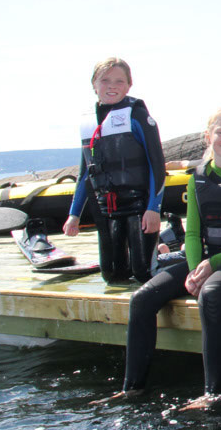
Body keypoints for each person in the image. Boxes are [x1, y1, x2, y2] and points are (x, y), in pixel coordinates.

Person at [91, 105, 221, 408]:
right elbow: (192, 234)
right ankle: (132, 388)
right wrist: (193, 270)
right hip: (208, 258)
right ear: (208, 136)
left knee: (211, 295)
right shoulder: (198, 177)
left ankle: (212, 393)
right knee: (142, 298)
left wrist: (211, 265)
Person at [63, 58, 166, 283]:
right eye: (105, 80)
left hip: (139, 206)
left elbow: (156, 164)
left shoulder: (137, 115)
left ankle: (168, 256)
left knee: (144, 273)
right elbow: (85, 174)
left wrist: (153, 209)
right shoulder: (88, 122)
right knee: (112, 276)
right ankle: (159, 251)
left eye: (120, 81)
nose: (112, 86)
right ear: (94, 84)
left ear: (129, 85)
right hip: (108, 209)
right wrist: (74, 215)